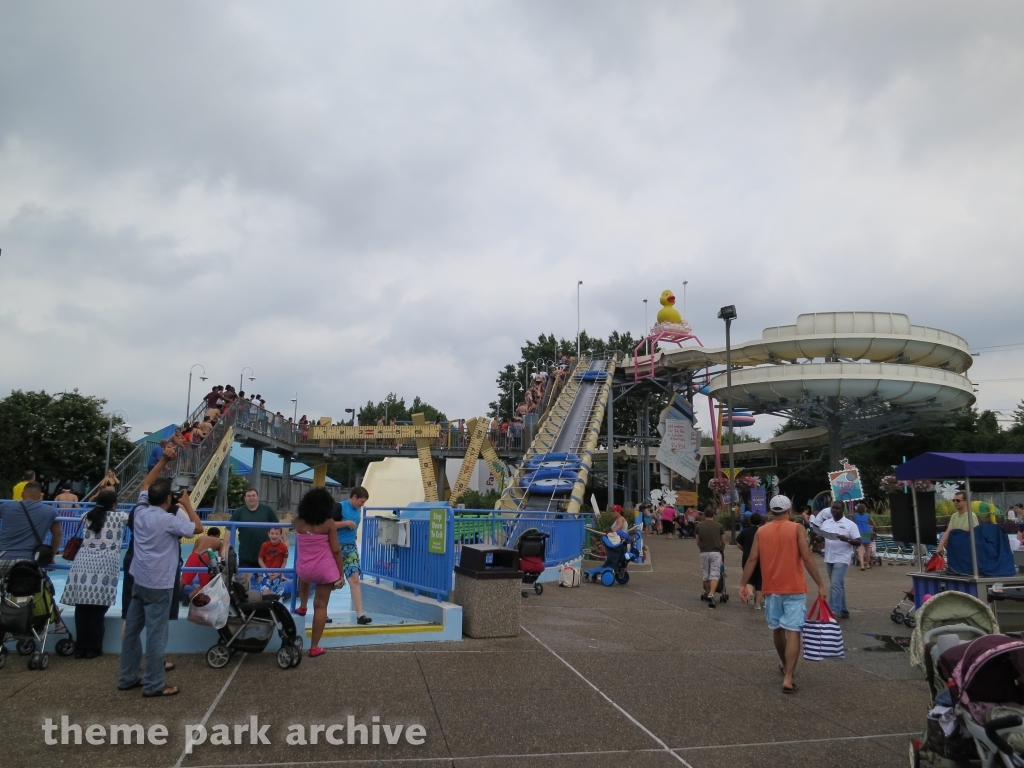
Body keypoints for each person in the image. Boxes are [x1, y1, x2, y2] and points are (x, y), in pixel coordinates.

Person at [118, 444, 203, 697]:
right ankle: (155, 684)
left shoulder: (141, 511)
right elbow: (198, 529)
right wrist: (187, 504)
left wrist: (164, 460)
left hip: (139, 579)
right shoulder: (169, 521)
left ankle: (127, 677)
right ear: (169, 499)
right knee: (156, 636)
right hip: (160, 583)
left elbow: (146, 483)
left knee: (132, 631)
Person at [739, 494, 827, 694]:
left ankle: (783, 662)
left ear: (771, 512)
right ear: (789, 510)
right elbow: (806, 557)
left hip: (771, 589)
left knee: (777, 628)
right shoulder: (797, 528)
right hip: (795, 587)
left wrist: (743, 584)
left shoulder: (761, 531)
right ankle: (788, 677)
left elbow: (752, 559)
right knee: (794, 630)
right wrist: (820, 584)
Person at [60, 491, 127, 658]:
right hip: (105, 564)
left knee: (81, 608)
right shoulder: (120, 517)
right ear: (114, 505)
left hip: (83, 563)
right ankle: (94, 647)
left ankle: (80, 647)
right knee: (98, 609)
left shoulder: (86, 516)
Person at [293, 488, 347, 657]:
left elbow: (291, 522)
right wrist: (341, 573)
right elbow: (336, 551)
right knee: (321, 606)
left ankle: (302, 606)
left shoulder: (298, 522)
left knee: (304, 576)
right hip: (324, 571)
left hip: (304, 569)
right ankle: (314, 647)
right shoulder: (329, 523)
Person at [0, 481, 61, 567]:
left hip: (2, 557)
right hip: (28, 561)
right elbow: (57, 534)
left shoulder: (6, 506)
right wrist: (52, 555)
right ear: (40, 496)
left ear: (22, 494)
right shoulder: (50, 511)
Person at [819, 501, 860, 619]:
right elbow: (821, 537)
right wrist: (817, 537)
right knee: (838, 584)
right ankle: (843, 610)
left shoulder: (850, 525)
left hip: (842, 557)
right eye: (833, 508)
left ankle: (833, 611)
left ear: (843, 510)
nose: (834, 510)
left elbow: (858, 541)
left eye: (837, 508)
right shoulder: (826, 523)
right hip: (829, 557)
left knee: (835, 584)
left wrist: (847, 539)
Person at [229, 489, 279, 585]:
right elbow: (229, 529)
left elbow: (277, 526)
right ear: (245, 498)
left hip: (265, 554)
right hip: (246, 554)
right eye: (249, 496)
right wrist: (225, 547)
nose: (251, 498)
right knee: (244, 581)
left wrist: (284, 540)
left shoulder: (267, 510)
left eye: (253, 495)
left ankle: (261, 579)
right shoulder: (239, 512)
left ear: (258, 497)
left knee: (265, 579)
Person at [180, 527, 228, 602]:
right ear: (218, 535)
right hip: (206, 558)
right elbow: (221, 558)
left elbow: (193, 551)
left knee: (183, 580)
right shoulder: (218, 542)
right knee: (205, 584)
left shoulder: (200, 538)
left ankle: (174, 596)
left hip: (194, 555)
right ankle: (188, 597)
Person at [696, 507, 726, 608]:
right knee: (715, 574)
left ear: (704, 515)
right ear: (714, 515)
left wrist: (702, 547)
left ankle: (708, 593)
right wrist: (722, 549)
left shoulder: (699, 526)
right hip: (716, 552)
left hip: (704, 552)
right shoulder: (719, 526)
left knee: (706, 574)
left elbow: (697, 541)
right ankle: (711, 595)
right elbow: (723, 540)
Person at [732, 513, 764, 609]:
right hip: (761, 557)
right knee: (760, 580)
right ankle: (757, 604)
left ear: (750, 521)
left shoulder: (745, 532)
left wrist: (746, 550)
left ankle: (750, 593)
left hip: (747, 557)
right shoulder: (763, 531)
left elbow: (738, 544)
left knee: (749, 578)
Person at [936, 491, 978, 555]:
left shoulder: (970, 516)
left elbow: (963, 535)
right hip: (957, 550)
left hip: (969, 552)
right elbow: (948, 532)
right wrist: (940, 546)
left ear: (966, 502)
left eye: (958, 500)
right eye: (954, 500)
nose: (955, 502)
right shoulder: (954, 515)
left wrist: (949, 541)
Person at [257, 527, 290, 596]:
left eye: (276, 534)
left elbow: (284, 561)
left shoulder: (283, 547)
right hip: (266, 572)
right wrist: (266, 571)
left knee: (276, 595)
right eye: (272, 533)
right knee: (266, 591)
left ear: (280, 535)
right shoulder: (265, 545)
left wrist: (279, 572)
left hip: (277, 573)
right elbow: (260, 559)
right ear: (269, 534)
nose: (274, 536)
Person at [852, 503, 874, 571]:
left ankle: (862, 565)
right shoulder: (867, 515)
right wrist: (875, 527)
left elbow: (852, 523)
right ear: (864, 509)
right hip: (866, 532)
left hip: (858, 533)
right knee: (867, 549)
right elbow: (873, 523)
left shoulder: (855, 515)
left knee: (860, 549)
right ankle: (867, 564)